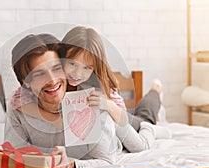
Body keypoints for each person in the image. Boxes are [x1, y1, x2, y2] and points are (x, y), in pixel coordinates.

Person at [10, 26, 171, 153]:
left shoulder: (95, 86)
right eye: (72, 64)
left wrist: (108, 106)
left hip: (119, 114)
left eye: (87, 68)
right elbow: (18, 100)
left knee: (144, 118)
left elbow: (119, 122)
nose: (77, 74)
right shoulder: (52, 82)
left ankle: (156, 90)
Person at [4, 33, 123, 168]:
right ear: (26, 81)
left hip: (119, 126)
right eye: (39, 73)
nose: (52, 80)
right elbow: (14, 155)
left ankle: (153, 104)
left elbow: (107, 161)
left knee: (141, 130)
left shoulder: (91, 99)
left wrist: (73, 164)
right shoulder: (18, 106)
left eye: (56, 68)